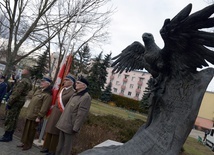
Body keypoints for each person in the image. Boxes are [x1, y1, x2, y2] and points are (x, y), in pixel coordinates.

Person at [55, 76, 91, 155]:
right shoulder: (76, 93)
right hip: (63, 124)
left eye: (78, 83)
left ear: (84, 86)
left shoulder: (86, 97)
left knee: (66, 149)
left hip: (70, 127)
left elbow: (81, 115)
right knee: (59, 147)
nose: (76, 84)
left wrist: (76, 128)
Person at [41, 74, 76, 155]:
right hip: (54, 112)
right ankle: (46, 147)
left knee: (55, 133)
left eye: (67, 80)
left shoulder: (72, 92)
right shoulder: (62, 89)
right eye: (65, 79)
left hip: (61, 114)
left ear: (71, 82)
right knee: (50, 130)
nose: (64, 81)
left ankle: (52, 150)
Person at [17, 77, 53, 150]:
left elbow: (44, 107)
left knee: (31, 131)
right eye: (41, 81)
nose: (41, 83)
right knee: (26, 129)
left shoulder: (47, 95)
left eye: (43, 82)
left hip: (35, 115)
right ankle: (24, 142)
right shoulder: (39, 91)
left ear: (48, 84)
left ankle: (28, 145)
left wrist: (39, 117)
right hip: (30, 113)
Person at [0, 67, 32, 142]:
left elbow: (17, 93)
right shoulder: (28, 81)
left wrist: (10, 102)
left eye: (23, 70)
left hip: (15, 101)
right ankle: (10, 135)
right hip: (20, 101)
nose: (22, 71)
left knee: (10, 118)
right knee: (14, 118)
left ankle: (6, 136)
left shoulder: (23, 81)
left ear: (27, 71)